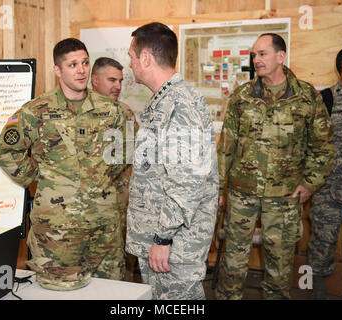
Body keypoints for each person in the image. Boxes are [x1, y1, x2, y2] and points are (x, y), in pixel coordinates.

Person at [0, 38, 128, 290]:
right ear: (57, 70)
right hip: (57, 230)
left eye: (85, 63)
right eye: (72, 64)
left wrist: (97, 178)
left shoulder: (111, 110)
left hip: (103, 226)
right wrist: (40, 179)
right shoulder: (36, 111)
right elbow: (5, 151)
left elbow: (122, 154)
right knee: (59, 293)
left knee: (110, 290)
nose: (81, 70)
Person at [216, 33, 335, 300]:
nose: (256, 60)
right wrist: (219, 189)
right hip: (241, 194)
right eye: (254, 55)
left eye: (262, 54)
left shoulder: (306, 97)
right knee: (232, 265)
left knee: (279, 266)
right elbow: (226, 147)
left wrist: (310, 183)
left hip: (284, 196)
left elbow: (324, 144)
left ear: (280, 56)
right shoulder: (241, 97)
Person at [125, 22, 219, 300]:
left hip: (174, 246)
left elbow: (186, 182)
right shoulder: (165, 100)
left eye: (131, 56)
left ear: (146, 58)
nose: (129, 63)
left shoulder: (180, 104)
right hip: (162, 239)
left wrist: (162, 238)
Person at [307, 44, 342, 299]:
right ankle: (315, 294)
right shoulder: (325, 99)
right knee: (321, 243)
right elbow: (313, 143)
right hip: (329, 186)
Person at [91, 56, 138, 279]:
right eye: (111, 80)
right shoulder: (77, 113)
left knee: (121, 264)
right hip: (84, 209)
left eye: (120, 81)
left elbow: (128, 155)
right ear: (95, 80)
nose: (117, 86)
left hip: (118, 203)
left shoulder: (125, 113)